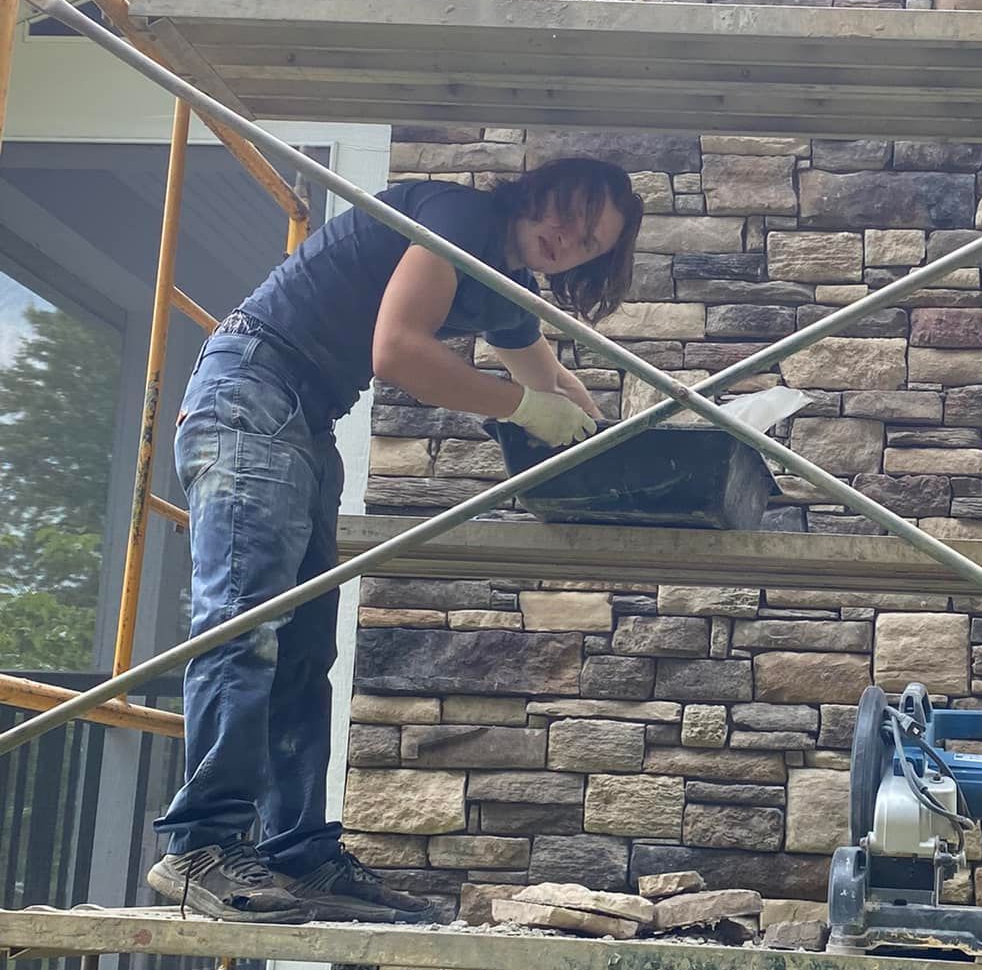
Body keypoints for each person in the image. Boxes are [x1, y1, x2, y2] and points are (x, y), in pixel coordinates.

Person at [147, 156, 644, 924]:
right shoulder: (460, 217)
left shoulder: (504, 285)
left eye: (589, 244)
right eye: (571, 215)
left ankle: (298, 854)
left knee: (303, 651)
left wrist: (629, 452)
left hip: (303, 416)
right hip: (251, 390)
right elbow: (399, 350)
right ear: (541, 191)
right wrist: (520, 408)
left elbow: (555, 387)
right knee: (245, 622)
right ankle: (199, 849)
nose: (567, 239)